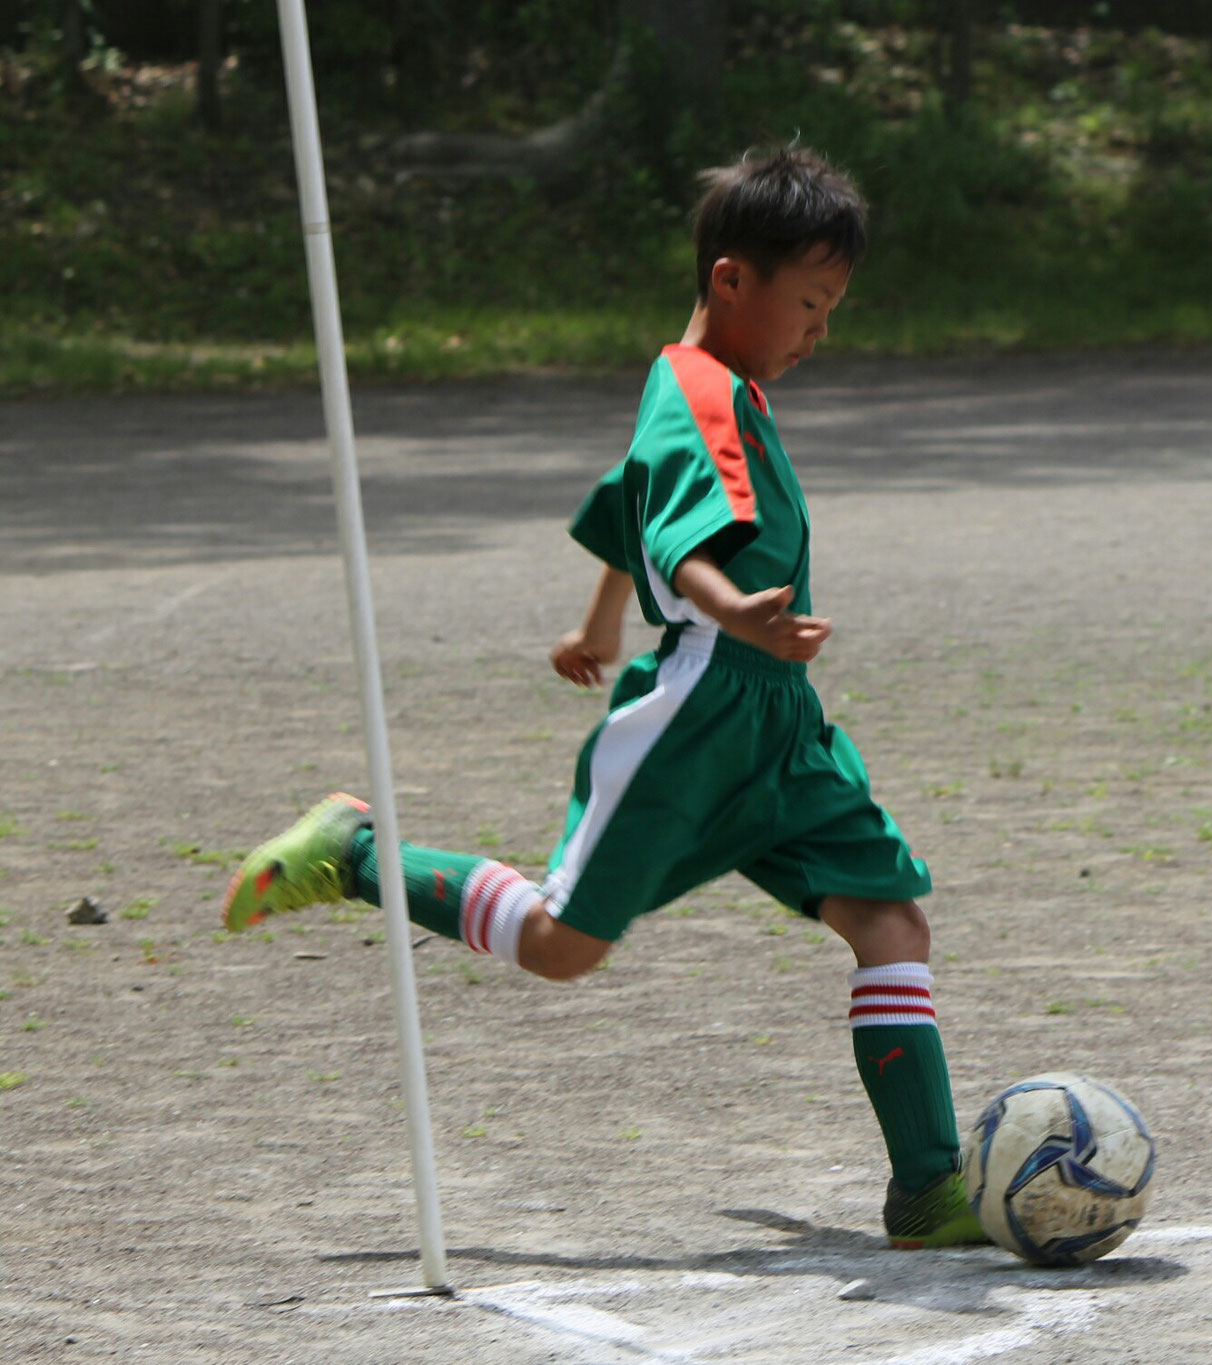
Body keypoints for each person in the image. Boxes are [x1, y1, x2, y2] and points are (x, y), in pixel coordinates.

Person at [222, 145, 985, 1250]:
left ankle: (924, 1186)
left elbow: (633, 490)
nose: (822, 331)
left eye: (833, 307)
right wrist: (737, 614)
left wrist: (596, 617)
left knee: (889, 919)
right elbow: (681, 537)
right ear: (734, 282)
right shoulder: (706, 392)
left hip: (777, 722)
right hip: (702, 710)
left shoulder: (694, 372)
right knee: (559, 946)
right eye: (811, 304)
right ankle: (355, 851)